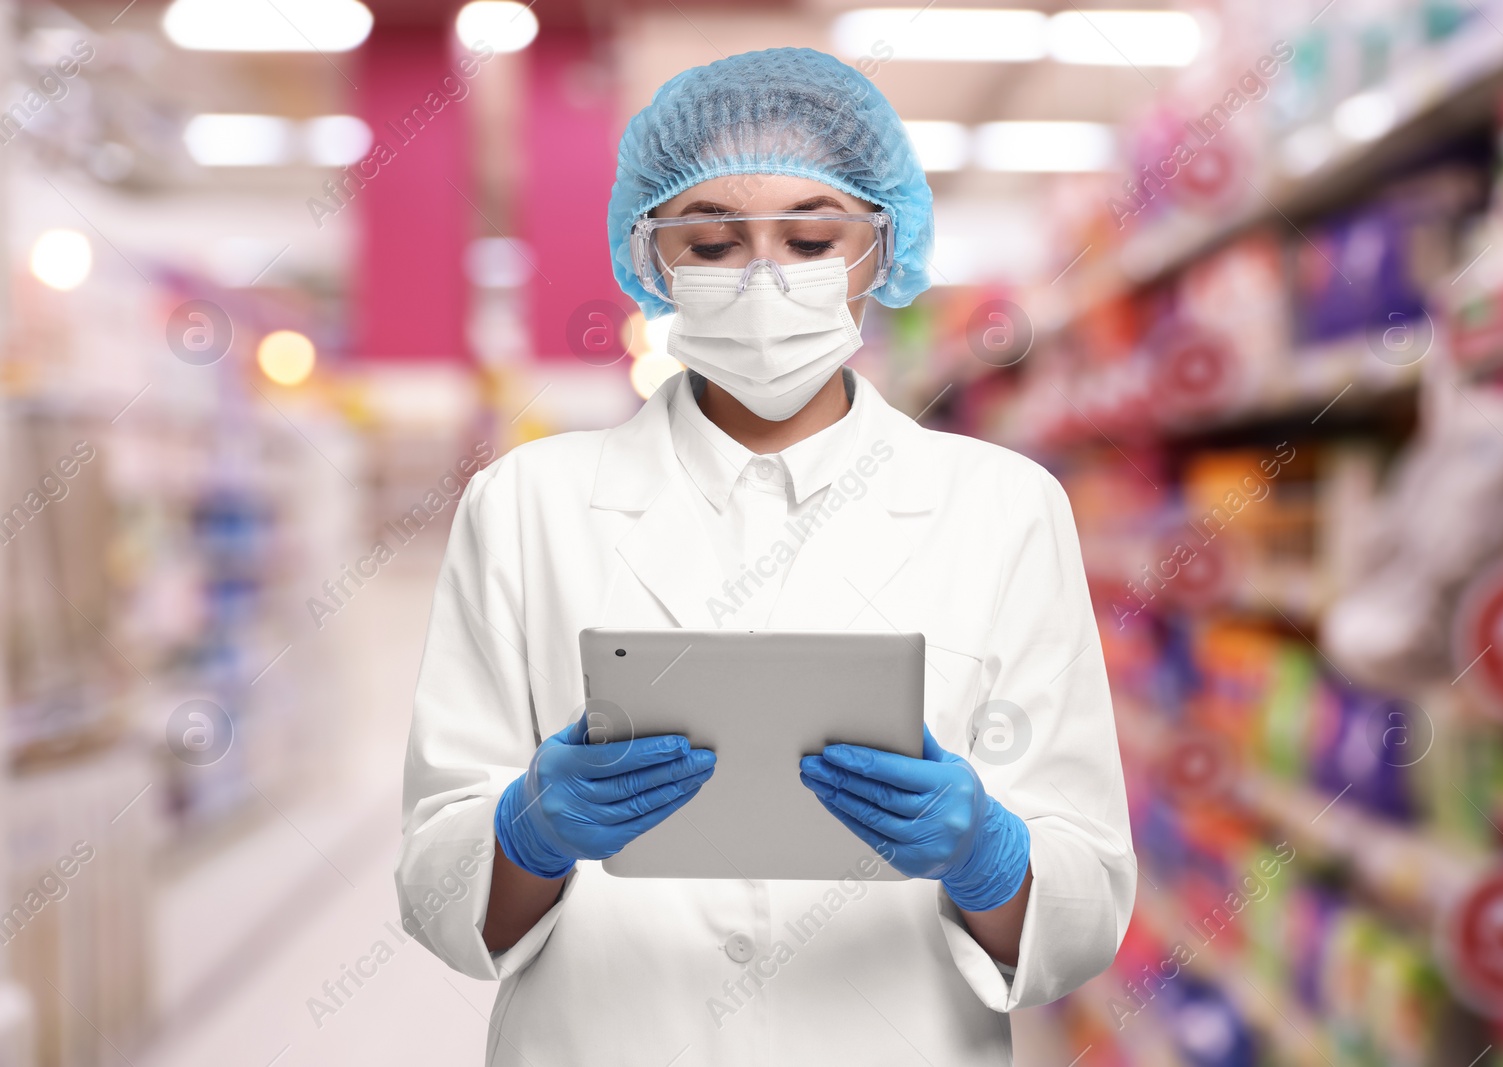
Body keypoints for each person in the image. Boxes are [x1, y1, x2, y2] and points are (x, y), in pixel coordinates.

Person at [397, 46, 1134, 1066]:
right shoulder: (525, 504)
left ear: (880, 247)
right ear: (650, 260)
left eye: (809, 236)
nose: (761, 277)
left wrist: (987, 855)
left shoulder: (1005, 508)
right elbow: (437, 889)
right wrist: (526, 831)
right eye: (709, 243)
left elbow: (1085, 906)